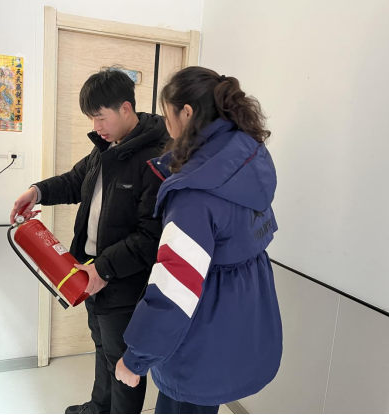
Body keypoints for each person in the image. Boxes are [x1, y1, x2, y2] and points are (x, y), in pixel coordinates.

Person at [115, 67, 283, 415]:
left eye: (167, 115)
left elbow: (175, 287)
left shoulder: (195, 194)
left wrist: (135, 359)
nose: (166, 125)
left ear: (187, 113)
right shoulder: (248, 158)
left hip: (201, 334)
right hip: (242, 321)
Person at [10, 69, 170, 414]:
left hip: (123, 280)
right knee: (102, 347)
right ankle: (99, 407)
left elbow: (150, 237)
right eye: (91, 119)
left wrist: (105, 268)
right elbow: (74, 182)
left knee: (124, 364)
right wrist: (37, 192)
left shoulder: (155, 159)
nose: (96, 127)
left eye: (100, 117)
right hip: (90, 272)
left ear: (125, 108)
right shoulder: (106, 148)